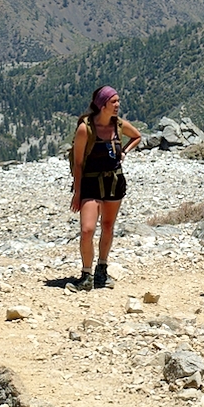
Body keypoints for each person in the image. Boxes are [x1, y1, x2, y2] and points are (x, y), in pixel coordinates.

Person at [70, 85, 142, 291]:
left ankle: (101, 269)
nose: (118, 105)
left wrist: (125, 152)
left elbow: (137, 136)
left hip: (114, 182)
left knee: (108, 227)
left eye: (118, 101)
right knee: (87, 229)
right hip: (91, 183)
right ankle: (86, 274)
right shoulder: (86, 128)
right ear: (102, 105)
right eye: (114, 101)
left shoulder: (118, 125)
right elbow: (78, 164)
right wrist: (77, 192)